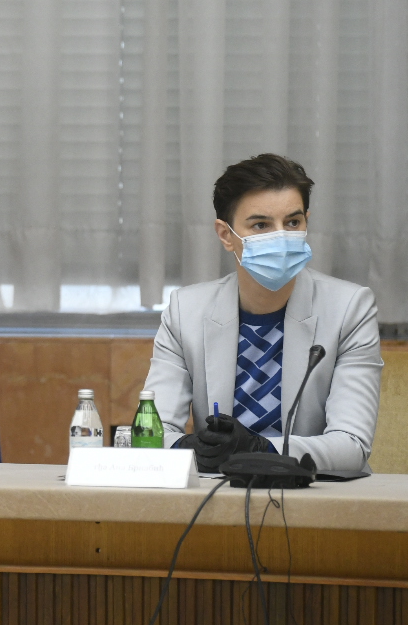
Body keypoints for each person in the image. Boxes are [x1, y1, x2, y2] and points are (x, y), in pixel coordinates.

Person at [144, 154, 381, 473]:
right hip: (216, 499)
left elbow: (351, 446)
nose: (281, 237)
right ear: (226, 235)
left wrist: (261, 450)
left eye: (293, 222)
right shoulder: (185, 311)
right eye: (261, 225)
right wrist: (192, 448)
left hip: (313, 498)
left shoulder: (350, 308)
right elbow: (149, 436)